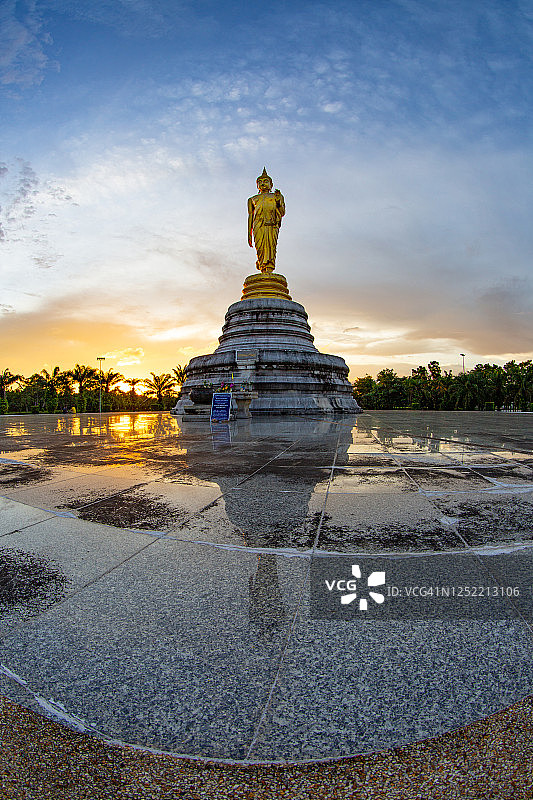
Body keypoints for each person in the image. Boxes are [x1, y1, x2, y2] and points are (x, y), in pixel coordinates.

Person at [247, 167, 285, 272]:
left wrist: (278, 202)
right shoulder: (252, 199)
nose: (263, 184)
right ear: (257, 185)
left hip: (271, 224)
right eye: (260, 182)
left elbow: (282, 212)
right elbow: (250, 215)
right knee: (260, 247)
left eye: (266, 181)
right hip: (258, 225)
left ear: (271, 185)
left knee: (270, 245)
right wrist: (249, 233)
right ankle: (261, 264)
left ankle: (269, 267)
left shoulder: (276, 196)